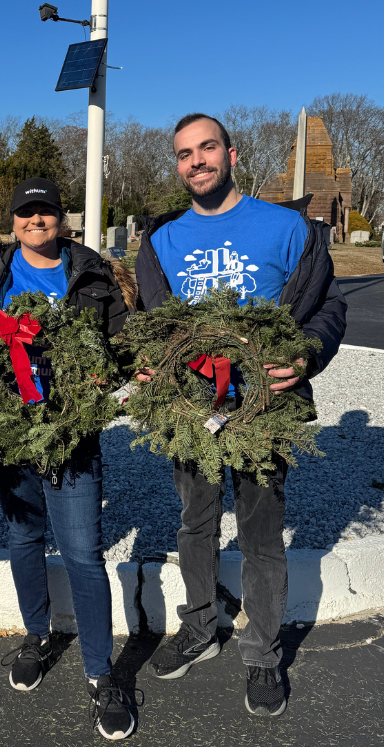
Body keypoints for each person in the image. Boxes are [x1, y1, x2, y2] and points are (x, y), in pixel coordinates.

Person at [134, 114, 347, 717]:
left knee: (260, 535)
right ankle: (199, 628)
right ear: (177, 165)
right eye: (184, 154)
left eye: (207, 148)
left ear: (230, 153)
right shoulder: (165, 240)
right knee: (193, 525)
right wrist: (150, 365)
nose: (196, 161)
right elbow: (155, 325)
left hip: (263, 409)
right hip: (191, 411)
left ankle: (261, 655)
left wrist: (307, 356)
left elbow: (326, 307)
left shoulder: (285, 228)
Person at [0, 177, 138, 741]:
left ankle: (101, 673)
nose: (36, 220)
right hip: (10, 434)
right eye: (26, 213)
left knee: (84, 553)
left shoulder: (91, 272)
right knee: (23, 540)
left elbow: (122, 344)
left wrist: (107, 377)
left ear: (61, 219)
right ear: (12, 221)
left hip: (72, 435)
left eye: (46, 212)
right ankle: (36, 636)